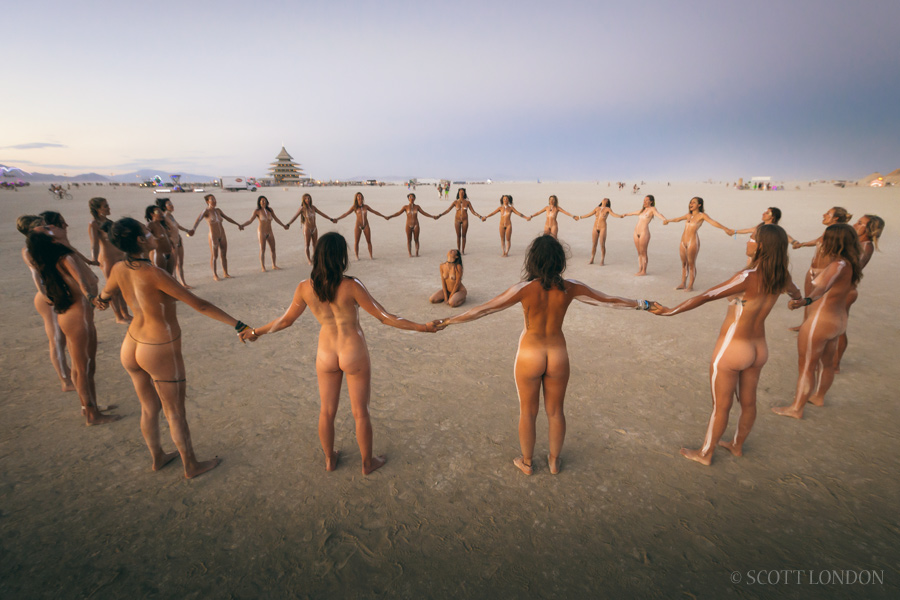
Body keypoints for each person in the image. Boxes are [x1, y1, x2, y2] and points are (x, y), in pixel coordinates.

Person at [434, 235, 655, 475]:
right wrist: (644, 304)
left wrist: (448, 321)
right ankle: (554, 461)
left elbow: (484, 309)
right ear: (560, 260)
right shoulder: (570, 287)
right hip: (558, 355)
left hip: (530, 355)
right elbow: (609, 300)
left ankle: (527, 462)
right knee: (556, 411)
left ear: (533, 260)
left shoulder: (524, 289)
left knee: (528, 412)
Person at [240, 233, 435, 475]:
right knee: (360, 412)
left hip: (326, 353)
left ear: (317, 256)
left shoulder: (305, 288)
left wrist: (255, 332)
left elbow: (286, 320)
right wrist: (422, 327)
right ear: (341, 256)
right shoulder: (352, 286)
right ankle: (367, 463)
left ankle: (329, 459)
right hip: (353, 351)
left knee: (326, 411)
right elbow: (384, 317)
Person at [101, 217, 251, 478]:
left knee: (149, 407)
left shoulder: (119, 268)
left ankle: (158, 457)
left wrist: (98, 300)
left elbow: (104, 295)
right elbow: (199, 304)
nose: (154, 235)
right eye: (148, 232)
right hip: (157, 346)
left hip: (131, 344)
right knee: (175, 412)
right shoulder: (154, 273)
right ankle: (191, 465)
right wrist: (238, 325)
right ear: (140, 240)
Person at [650, 225, 801, 465]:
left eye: (752, 238)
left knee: (720, 406)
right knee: (748, 402)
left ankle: (705, 453)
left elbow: (706, 296)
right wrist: (797, 302)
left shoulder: (747, 277)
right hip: (759, 349)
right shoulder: (781, 276)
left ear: (761, 246)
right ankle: (737, 445)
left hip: (733, 348)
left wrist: (670, 311)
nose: (748, 241)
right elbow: (796, 295)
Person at [26, 230, 120, 425]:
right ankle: (92, 415)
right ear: (51, 239)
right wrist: (94, 299)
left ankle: (89, 407)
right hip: (78, 318)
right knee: (84, 367)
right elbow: (82, 281)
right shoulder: (65, 258)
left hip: (69, 316)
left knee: (81, 367)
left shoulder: (50, 261)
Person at [773, 224, 862, 419]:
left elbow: (820, 288)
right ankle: (818, 396)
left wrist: (803, 301)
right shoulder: (851, 263)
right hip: (838, 320)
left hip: (821, 320)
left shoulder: (837, 265)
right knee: (826, 363)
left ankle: (796, 408)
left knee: (807, 365)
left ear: (833, 242)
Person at [18, 215, 75, 392]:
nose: (47, 227)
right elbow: (36, 274)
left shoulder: (47, 244)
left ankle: (68, 373)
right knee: (57, 339)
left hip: (57, 292)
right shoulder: (29, 250)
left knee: (64, 336)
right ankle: (65, 380)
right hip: (48, 295)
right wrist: (45, 294)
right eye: (43, 226)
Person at [834, 215, 885, 371]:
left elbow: (853, 269)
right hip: (839, 287)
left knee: (840, 328)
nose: (855, 224)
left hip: (845, 290)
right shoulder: (857, 242)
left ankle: (836, 363)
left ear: (869, 230)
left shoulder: (866, 246)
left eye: (860, 223)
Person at [789, 207, 852, 330]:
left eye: (828, 213)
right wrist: (802, 244)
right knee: (808, 296)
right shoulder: (828, 231)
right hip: (813, 270)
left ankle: (814, 326)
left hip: (824, 272)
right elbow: (818, 241)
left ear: (836, 218)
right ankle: (805, 324)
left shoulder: (839, 233)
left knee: (818, 299)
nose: (824, 215)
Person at [663, 197, 734, 291]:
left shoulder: (702, 216)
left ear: (699, 205)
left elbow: (713, 222)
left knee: (691, 264)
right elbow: (677, 219)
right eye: (690, 202)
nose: (691, 204)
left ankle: (690, 285)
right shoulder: (688, 215)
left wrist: (725, 228)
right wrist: (668, 221)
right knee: (684, 263)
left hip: (692, 241)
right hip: (683, 241)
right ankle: (683, 283)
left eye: (694, 202)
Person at [88, 197, 131, 323]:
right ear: (97, 209)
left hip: (119, 257)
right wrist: (94, 258)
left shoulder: (110, 222)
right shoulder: (94, 224)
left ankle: (125, 313)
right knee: (112, 288)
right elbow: (94, 243)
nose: (108, 208)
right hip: (107, 258)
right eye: (105, 206)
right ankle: (118, 316)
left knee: (121, 286)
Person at [187, 194, 243, 281]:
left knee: (223, 254)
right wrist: (193, 229)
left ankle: (225, 273)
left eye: (215, 199)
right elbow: (198, 219)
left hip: (222, 234)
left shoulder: (218, 210)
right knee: (214, 256)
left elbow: (227, 218)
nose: (214, 201)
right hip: (213, 236)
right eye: (212, 199)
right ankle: (215, 275)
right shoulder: (206, 211)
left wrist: (238, 224)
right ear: (207, 201)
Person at [622, 195, 668, 276]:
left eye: (646, 200)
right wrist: (625, 214)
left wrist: (664, 219)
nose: (644, 201)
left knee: (643, 252)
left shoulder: (652, 209)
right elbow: (633, 213)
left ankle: (644, 271)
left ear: (651, 201)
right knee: (639, 252)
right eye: (644, 200)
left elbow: (658, 214)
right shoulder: (642, 210)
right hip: (636, 232)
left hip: (644, 233)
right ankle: (640, 269)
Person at [287, 193, 337, 265]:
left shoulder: (313, 207)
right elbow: (295, 216)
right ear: (303, 200)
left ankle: (315, 258)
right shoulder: (302, 208)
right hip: (307, 228)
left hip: (314, 228)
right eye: (306, 198)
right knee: (307, 245)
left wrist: (331, 219)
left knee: (315, 244)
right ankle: (309, 260)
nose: (307, 200)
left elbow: (322, 213)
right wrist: (288, 224)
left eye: (309, 198)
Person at [335, 192, 388, 260]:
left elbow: (374, 212)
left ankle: (371, 256)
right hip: (358, 226)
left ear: (362, 197)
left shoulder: (366, 206)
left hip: (366, 225)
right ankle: (357, 257)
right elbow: (346, 214)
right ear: (356, 198)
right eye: (358, 196)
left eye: (360, 196)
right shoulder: (354, 207)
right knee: (357, 242)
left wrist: (383, 216)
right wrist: (338, 218)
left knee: (369, 241)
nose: (360, 197)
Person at [241, 196, 288, 271]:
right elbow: (250, 220)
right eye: (262, 200)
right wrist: (243, 225)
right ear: (259, 202)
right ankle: (263, 266)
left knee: (273, 249)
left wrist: (283, 225)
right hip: (261, 232)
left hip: (270, 231)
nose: (263, 202)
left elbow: (276, 219)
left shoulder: (270, 210)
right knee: (262, 249)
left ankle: (274, 265)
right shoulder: (257, 211)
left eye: (264, 200)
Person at [385, 193, 438, 257]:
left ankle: (417, 253)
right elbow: (398, 213)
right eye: (410, 197)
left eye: (412, 197)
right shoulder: (405, 207)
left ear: (415, 198)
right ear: (408, 199)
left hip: (416, 225)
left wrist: (432, 216)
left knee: (416, 239)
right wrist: (390, 216)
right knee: (409, 240)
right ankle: (410, 253)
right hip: (408, 225)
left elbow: (424, 213)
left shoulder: (417, 207)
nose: (411, 199)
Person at [156, 197, 192, 288]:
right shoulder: (164, 217)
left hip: (178, 240)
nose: (172, 205)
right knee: (173, 263)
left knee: (180, 263)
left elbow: (177, 226)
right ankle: (175, 284)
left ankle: (183, 283)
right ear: (164, 207)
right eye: (169, 204)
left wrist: (187, 230)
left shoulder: (170, 216)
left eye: (171, 203)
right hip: (172, 242)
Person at [436, 188, 484, 255]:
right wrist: (440, 215)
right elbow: (448, 210)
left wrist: (480, 217)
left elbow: (473, 212)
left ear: (464, 193)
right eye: (460, 192)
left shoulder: (467, 202)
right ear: (458, 193)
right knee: (458, 236)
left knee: (464, 236)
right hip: (457, 220)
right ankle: (458, 250)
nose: (461, 193)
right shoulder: (455, 202)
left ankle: (463, 251)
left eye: (462, 192)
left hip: (465, 220)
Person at [578, 198, 624, 265]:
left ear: (607, 202)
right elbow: (589, 214)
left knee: (602, 244)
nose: (604, 199)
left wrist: (620, 216)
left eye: (606, 199)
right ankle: (592, 259)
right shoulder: (597, 208)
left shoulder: (608, 209)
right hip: (595, 228)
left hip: (602, 228)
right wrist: (579, 217)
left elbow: (613, 214)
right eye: (604, 199)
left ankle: (602, 260)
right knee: (594, 244)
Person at [144, 205, 175, 274]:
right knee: (160, 275)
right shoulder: (150, 225)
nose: (161, 214)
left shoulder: (162, 224)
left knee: (169, 276)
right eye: (158, 212)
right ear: (152, 214)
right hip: (159, 254)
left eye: (161, 212)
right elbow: (144, 237)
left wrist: (171, 242)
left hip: (169, 253)